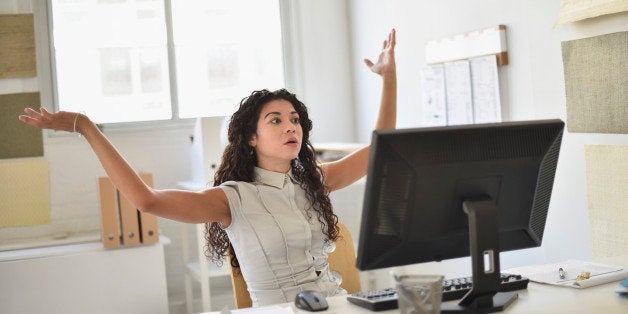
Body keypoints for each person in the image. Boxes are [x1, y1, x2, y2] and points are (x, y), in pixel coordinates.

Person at [19, 28, 397, 307]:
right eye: (276, 120)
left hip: (337, 305)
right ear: (251, 138)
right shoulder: (231, 199)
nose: (290, 127)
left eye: (295, 119)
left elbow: (382, 148)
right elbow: (145, 200)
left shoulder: (314, 181)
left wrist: (388, 78)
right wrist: (85, 127)